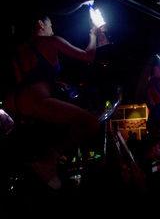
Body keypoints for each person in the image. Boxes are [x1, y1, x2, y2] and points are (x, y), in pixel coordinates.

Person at [3, 13, 104, 189]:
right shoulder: (52, 41)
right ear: (40, 24)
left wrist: (53, 84)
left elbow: (25, 80)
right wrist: (93, 34)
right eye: (50, 25)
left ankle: (41, 171)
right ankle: (50, 157)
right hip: (37, 101)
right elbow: (88, 56)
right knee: (91, 123)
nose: (52, 29)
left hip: (16, 101)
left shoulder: (18, 50)